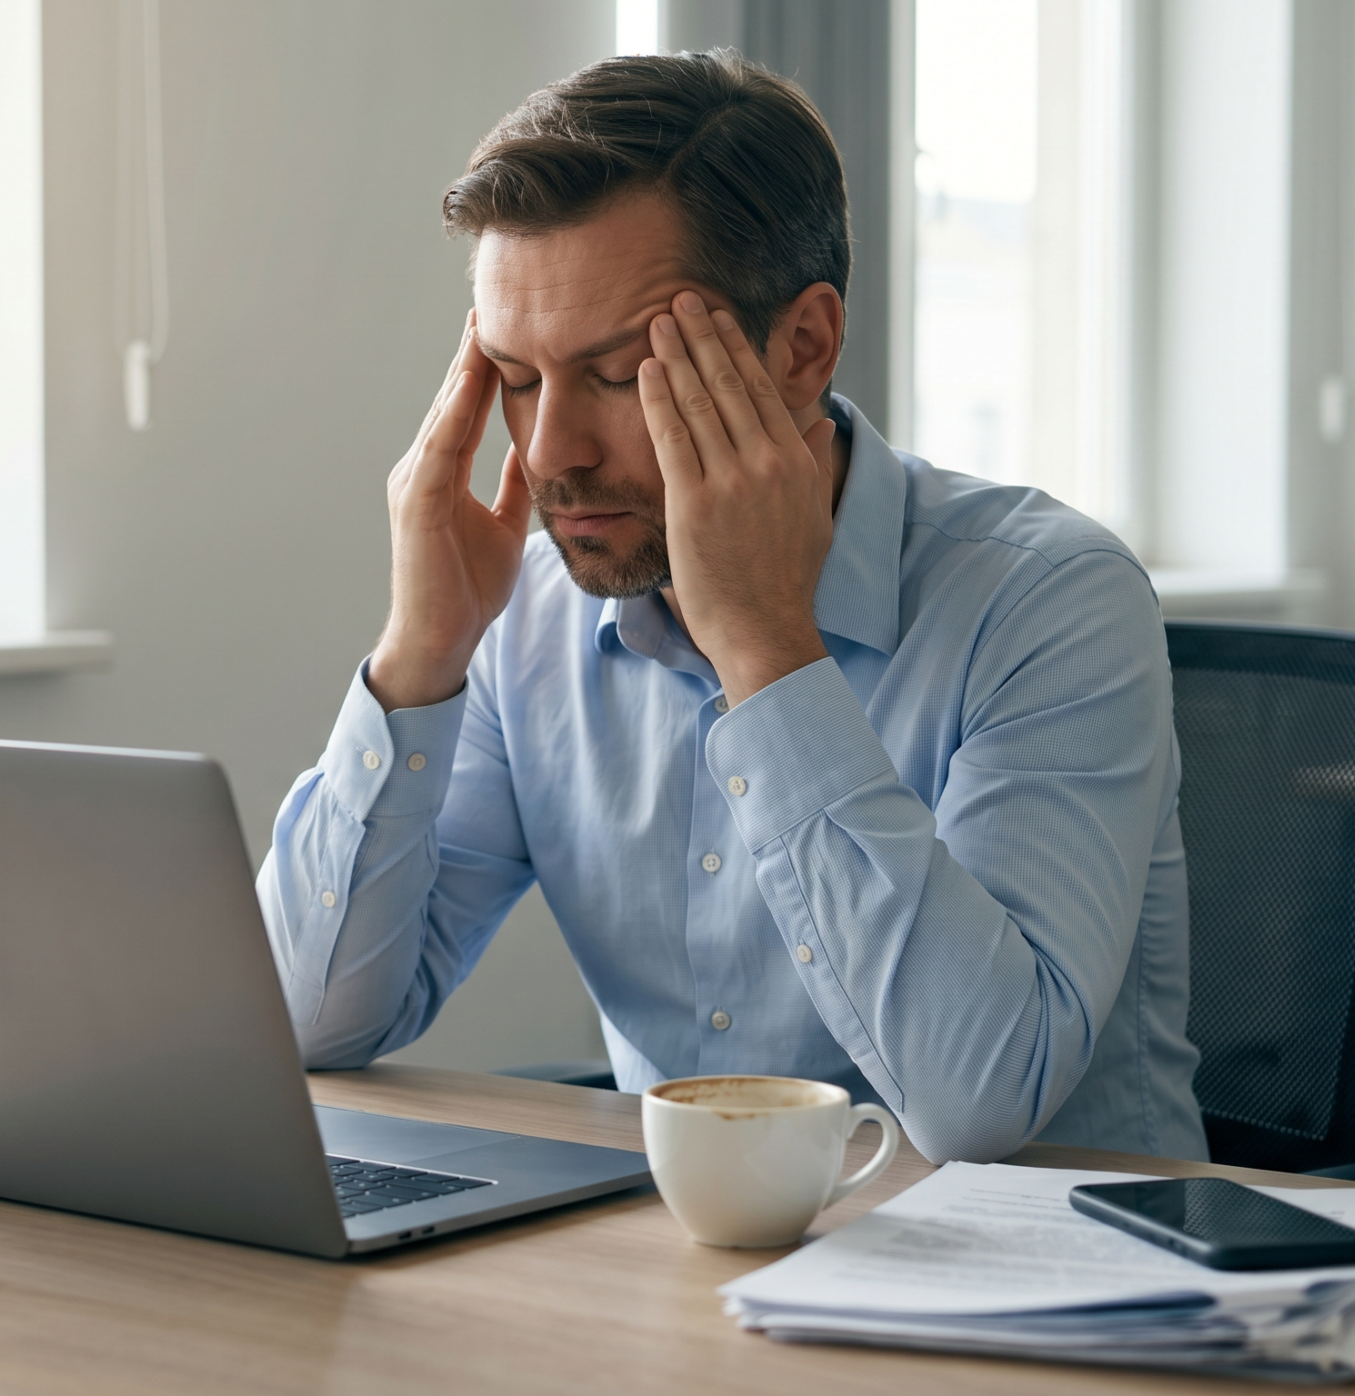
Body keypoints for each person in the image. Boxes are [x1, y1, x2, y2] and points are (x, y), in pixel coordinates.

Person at [257, 51, 1204, 1163]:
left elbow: (977, 1104)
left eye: (617, 374)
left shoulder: (1048, 599)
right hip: (684, 1280)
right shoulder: (526, 619)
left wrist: (766, 652)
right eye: (514, 378)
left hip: (1057, 1290)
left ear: (800, 347)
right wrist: (419, 656)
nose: (550, 450)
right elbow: (308, 1025)